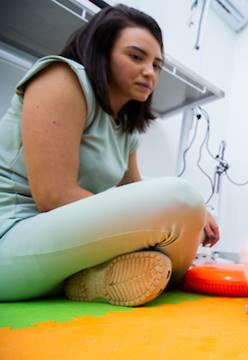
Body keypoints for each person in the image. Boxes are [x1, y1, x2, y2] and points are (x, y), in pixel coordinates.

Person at [0, 5, 219, 306]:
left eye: (156, 65)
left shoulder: (126, 126)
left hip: (54, 251)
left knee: (188, 205)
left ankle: (93, 281)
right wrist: (182, 209)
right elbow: (53, 196)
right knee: (182, 196)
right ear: (101, 52)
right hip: (10, 239)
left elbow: (132, 190)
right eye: (136, 56)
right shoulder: (61, 78)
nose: (149, 72)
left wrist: (193, 216)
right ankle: (163, 275)